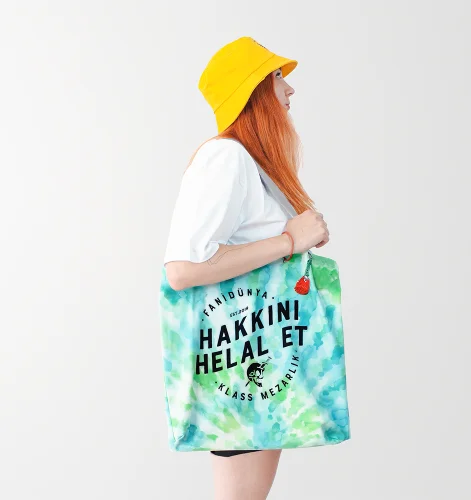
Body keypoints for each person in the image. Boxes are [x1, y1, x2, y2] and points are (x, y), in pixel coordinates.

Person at [163, 36, 329, 500]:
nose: (289, 88)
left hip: (258, 353)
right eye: (277, 77)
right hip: (239, 357)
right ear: (253, 90)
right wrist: (289, 241)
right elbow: (183, 268)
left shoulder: (249, 163)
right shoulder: (227, 156)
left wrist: (295, 238)